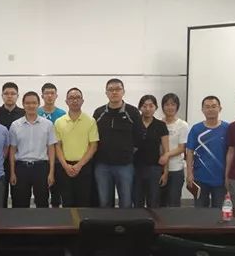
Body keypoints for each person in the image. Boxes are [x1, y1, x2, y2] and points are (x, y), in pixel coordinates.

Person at [92, 78, 142, 208]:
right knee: (104, 202)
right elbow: (93, 137)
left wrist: (128, 151)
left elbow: (139, 135)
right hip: (102, 165)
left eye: (118, 89)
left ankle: (125, 222)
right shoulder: (99, 113)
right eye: (111, 89)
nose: (114, 92)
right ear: (106, 93)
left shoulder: (132, 112)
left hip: (125, 165)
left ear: (123, 92)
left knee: (126, 202)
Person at [9, 91, 57, 208]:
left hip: (41, 168)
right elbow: (12, 150)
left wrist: (51, 172)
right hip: (21, 168)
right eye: (27, 103)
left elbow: (51, 149)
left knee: (42, 202)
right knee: (20, 203)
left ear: (38, 104)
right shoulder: (15, 125)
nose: (31, 106)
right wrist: (12, 172)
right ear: (23, 104)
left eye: (34, 103)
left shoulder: (48, 124)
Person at [54, 88, 99, 207]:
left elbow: (93, 146)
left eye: (78, 97)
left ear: (82, 101)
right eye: (71, 98)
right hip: (65, 167)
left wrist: (79, 165)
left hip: (84, 167)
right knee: (67, 201)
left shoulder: (90, 121)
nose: (75, 100)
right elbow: (57, 146)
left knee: (84, 201)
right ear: (66, 101)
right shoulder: (59, 122)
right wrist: (65, 165)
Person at [186, 96, 229, 208]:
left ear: (220, 108)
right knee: (200, 211)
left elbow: (232, 152)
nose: (210, 109)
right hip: (200, 177)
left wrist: (229, 175)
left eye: (214, 106)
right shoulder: (196, 129)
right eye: (207, 107)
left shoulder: (227, 128)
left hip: (221, 178)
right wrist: (189, 173)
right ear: (202, 110)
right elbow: (189, 151)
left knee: (218, 211)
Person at [133, 95, 169, 208]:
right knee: (137, 201)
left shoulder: (161, 125)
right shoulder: (134, 124)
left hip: (154, 168)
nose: (148, 109)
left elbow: (166, 150)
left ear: (156, 107)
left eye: (151, 106)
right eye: (144, 106)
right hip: (136, 168)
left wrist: (165, 173)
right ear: (140, 108)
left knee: (153, 201)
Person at [0, 82, 25, 206]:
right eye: (6, 93)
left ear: (17, 96)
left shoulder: (24, 113)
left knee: (18, 197)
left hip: (18, 161)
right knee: (0, 198)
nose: (9, 96)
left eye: (13, 93)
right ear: (2, 95)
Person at [37, 83, 66, 208]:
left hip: (58, 159)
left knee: (56, 193)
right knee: (41, 193)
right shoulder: (36, 112)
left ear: (56, 95)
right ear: (42, 96)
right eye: (47, 93)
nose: (49, 96)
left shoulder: (62, 113)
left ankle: (56, 215)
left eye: (52, 93)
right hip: (41, 159)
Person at [159, 93, 189, 207]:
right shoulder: (158, 123)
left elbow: (182, 148)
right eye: (167, 104)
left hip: (176, 169)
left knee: (173, 202)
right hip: (159, 168)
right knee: (159, 203)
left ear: (177, 106)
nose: (170, 107)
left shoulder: (182, 125)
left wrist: (166, 155)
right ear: (162, 107)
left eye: (173, 104)